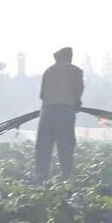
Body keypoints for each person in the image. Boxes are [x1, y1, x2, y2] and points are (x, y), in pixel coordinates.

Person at [35, 46, 85, 180]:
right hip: (65, 112)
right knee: (65, 146)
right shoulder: (75, 71)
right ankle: (67, 176)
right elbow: (78, 89)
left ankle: (42, 177)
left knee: (44, 147)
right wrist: (77, 103)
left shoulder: (48, 71)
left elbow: (42, 94)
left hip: (47, 112)